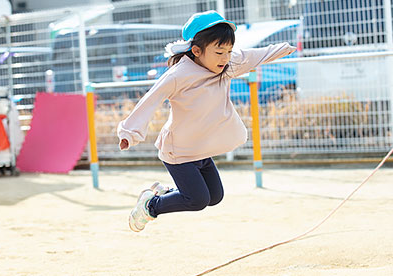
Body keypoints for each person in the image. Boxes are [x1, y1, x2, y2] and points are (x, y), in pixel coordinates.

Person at [117, 10, 296, 232]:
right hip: (179, 152)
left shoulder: (226, 66)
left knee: (215, 196)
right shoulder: (178, 75)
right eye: (219, 51)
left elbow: (252, 56)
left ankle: (164, 193)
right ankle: (150, 205)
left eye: (229, 51)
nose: (225, 58)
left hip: (201, 150)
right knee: (197, 200)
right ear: (196, 51)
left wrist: (282, 49)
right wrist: (129, 132)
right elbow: (151, 99)